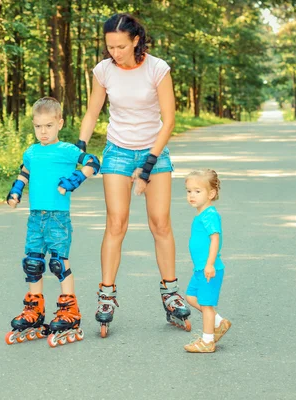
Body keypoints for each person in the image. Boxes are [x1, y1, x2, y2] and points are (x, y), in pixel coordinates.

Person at [76, 13, 190, 336]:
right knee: (116, 223)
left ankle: (170, 293)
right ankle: (106, 297)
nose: (115, 52)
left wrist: (150, 164)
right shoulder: (104, 71)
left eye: (121, 46)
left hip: (154, 150)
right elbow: (92, 112)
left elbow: (168, 121)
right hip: (117, 152)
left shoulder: (157, 68)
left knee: (160, 223)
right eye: (110, 46)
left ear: (136, 40)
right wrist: (80, 147)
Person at [4, 97, 100, 347]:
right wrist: (16, 191)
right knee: (33, 263)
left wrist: (74, 180)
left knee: (58, 262)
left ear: (60, 123)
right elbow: (25, 171)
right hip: (36, 217)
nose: (43, 132)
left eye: (48, 126)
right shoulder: (31, 151)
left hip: (58, 217)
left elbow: (93, 162)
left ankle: (69, 310)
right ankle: (34, 310)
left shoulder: (67, 150)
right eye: (38, 127)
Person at [183, 170, 231, 353]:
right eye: (188, 191)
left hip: (208, 268)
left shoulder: (210, 214)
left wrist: (210, 264)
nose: (191, 195)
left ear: (211, 194)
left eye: (197, 191)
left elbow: (215, 239)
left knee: (206, 305)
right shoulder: (201, 214)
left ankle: (207, 341)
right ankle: (219, 323)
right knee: (191, 297)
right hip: (200, 268)